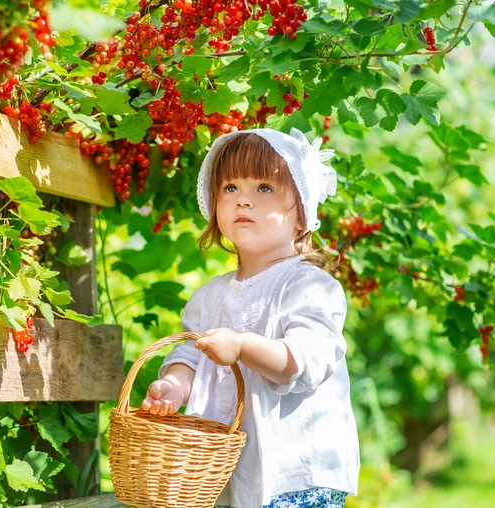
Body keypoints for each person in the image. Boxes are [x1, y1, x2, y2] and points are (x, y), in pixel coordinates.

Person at [142, 128, 360, 508]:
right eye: (230, 189)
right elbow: (190, 355)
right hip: (222, 475)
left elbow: (303, 363)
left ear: (302, 213)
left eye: (264, 188)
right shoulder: (209, 294)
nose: (243, 200)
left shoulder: (310, 286)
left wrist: (242, 346)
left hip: (296, 473)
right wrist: (174, 386)